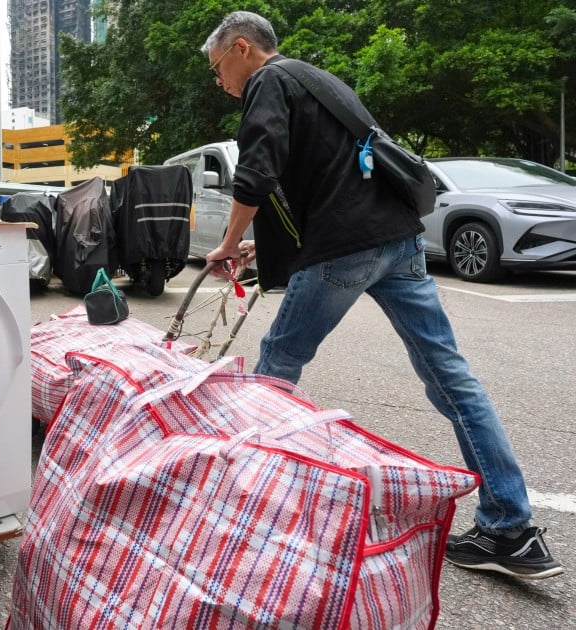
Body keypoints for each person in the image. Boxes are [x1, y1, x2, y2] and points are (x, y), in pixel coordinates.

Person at [201, 11, 563, 580]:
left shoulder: (269, 82)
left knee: (275, 369)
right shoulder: (319, 81)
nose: (218, 82)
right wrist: (257, 250)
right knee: (451, 377)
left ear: (242, 49)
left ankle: (244, 508)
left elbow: (257, 171)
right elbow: (332, 179)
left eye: (218, 67)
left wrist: (227, 243)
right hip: (399, 241)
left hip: (345, 250)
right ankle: (511, 528)